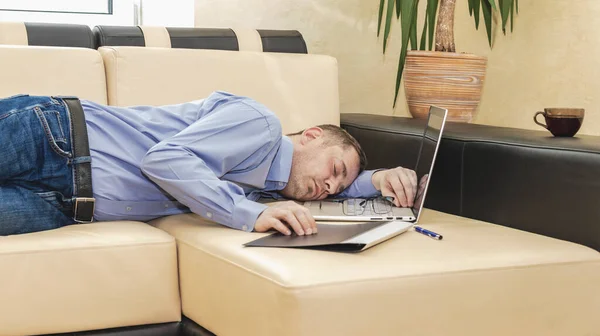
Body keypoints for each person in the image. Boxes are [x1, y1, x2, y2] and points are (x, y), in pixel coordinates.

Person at [0, 91, 419, 236]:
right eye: (334, 170)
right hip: (55, 138)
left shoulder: (267, 189)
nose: (329, 186)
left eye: (337, 187)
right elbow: (165, 159)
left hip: (65, 205)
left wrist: (379, 178)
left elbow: (338, 182)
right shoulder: (259, 124)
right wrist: (249, 213)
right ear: (310, 136)